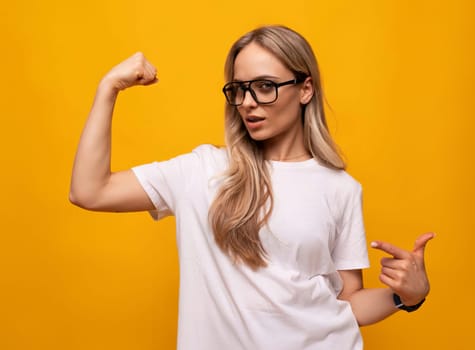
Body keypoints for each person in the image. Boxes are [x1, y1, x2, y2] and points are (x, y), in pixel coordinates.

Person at [70, 25, 434, 350]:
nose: (247, 103)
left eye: (264, 87)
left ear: (305, 89)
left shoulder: (340, 188)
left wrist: (407, 296)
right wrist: (109, 87)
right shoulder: (203, 170)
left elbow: (348, 302)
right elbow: (90, 191)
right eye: (239, 89)